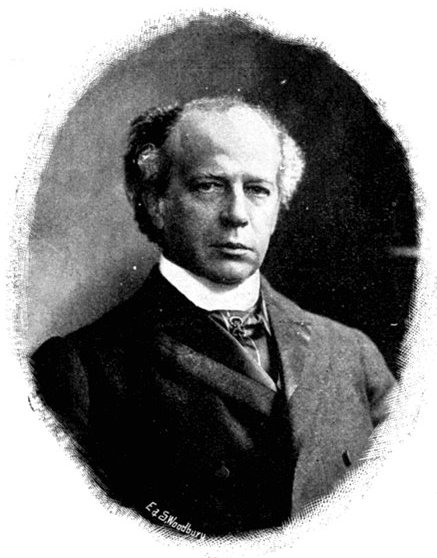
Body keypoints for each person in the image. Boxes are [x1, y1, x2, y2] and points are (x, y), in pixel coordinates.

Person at [30, 96, 395, 537]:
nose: (237, 215)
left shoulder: (353, 354)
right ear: (156, 202)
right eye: (209, 186)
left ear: (278, 206)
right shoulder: (77, 372)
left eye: (258, 190)